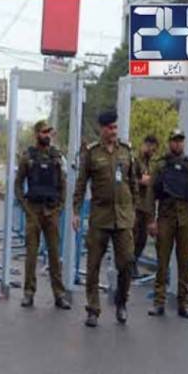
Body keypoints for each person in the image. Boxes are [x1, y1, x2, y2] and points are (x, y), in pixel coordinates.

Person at [73, 110, 137, 327]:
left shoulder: (126, 151)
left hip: (122, 218)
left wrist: (133, 211)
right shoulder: (91, 153)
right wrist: (75, 212)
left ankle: (121, 302)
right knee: (92, 265)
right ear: (102, 129)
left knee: (127, 262)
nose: (114, 131)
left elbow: (133, 183)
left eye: (115, 127)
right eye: (110, 128)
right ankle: (93, 309)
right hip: (100, 217)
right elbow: (81, 185)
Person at [146, 129, 188, 319]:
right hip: (165, 218)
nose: (177, 144)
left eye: (180, 140)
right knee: (162, 262)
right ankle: (159, 302)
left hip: (186, 220)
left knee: (185, 265)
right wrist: (151, 220)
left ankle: (184, 303)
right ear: (169, 142)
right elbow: (150, 194)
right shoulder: (161, 166)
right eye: (174, 141)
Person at [15, 121, 71, 310]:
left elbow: (63, 184)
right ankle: (29, 293)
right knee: (31, 253)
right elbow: (18, 184)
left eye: (50, 132)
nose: (48, 135)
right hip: (34, 210)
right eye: (45, 132)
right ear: (37, 134)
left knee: (54, 254)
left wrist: (60, 207)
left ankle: (59, 294)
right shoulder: (28, 157)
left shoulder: (57, 158)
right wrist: (25, 206)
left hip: (52, 211)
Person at [132, 135, 159, 278]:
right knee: (133, 237)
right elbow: (128, 180)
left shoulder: (151, 164)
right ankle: (129, 267)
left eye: (154, 150)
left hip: (147, 207)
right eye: (150, 148)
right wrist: (141, 181)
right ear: (145, 145)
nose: (152, 152)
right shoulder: (135, 161)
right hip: (136, 205)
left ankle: (133, 263)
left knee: (142, 239)